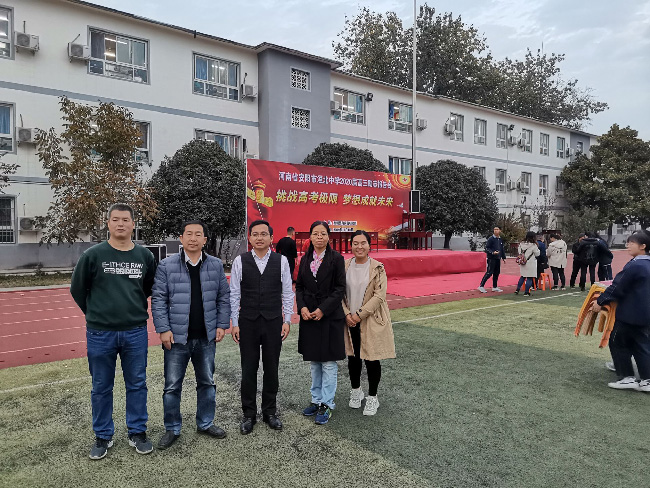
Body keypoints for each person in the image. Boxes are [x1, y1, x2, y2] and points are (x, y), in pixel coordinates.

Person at [70, 203, 156, 460]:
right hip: (100, 333)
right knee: (101, 386)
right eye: (116, 219)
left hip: (135, 331)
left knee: (137, 384)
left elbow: (148, 287)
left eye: (125, 220)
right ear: (107, 223)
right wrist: (96, 313)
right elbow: (77, 289)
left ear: (133, 224)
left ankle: (137, 432)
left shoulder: (145, 256)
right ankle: (103, 435)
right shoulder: (93, 255)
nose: (121, 224)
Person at [151, 220, 231, 450]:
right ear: (181, 238)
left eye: (198, 234)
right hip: (176, 339)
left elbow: (223, 297)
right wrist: (163, 329)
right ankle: (172, 428)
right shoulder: (166, 266)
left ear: (205, 240)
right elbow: (158, 300)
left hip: (206, 338)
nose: (193, 238)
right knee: (172, 386)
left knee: (207, 383)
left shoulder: (215, 265)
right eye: (189, 234)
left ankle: (205, 423)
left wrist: (221, 324)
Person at [230, 220, 294, 435]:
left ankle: (270, 412)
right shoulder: (240, 261)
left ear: (271, 238)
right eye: (255, 234)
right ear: (249, 238)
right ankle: (248, 414)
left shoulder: (281, 261)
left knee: (271, 368)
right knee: (248, 369)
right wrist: (235, 323)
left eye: (263, 234)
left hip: (273, 321)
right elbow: (234, 294)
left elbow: (287, 292)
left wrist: (287, 320)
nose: (259, 238)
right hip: (247, 322)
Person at [296, 221, 346, 425]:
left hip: (330, 316)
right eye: (315, 233)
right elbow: (299, 286)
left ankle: (327, 403)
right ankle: (316, 400)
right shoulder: (305, 258)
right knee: (315, 362)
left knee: (329, 363)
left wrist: (323, 309)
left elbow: (340, 288)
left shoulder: (337, 259)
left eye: (323, 234)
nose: (319, 237)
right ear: (310, 236)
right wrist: (302, 307)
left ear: (328, 237)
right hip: (309, 316)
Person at [342, 230, 395, 416]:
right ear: (351, 245)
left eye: (363, 243)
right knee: (353, 358)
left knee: (372, 359)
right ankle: (356, 391)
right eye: (355, 243)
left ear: (369, 245)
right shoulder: (344, 266)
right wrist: (347, 314)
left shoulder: (377, 268)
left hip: (370, 320)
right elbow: (338, 293)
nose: (359, 247)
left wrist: (359, 315)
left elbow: (379, 296)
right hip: (349, 321)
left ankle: (373, 397)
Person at [590, 230, 650, 391]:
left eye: (632, 243)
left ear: (643, 246)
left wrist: (600, 301)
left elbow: (617, 287)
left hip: (630, 313)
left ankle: (626, 377)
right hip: (645, 314)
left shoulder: (635, 265)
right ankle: (647, 380)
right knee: (642, 345)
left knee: (617, 342)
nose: (628, 245)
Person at [478, 226, 507, 293]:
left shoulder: (500, 239)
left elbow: (502, 249)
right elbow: (487, 248)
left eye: (497, 229)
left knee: (496, 273)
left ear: (500, 230)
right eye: (494, 229)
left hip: (498, 258)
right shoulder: (491, 239)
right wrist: (492, 252)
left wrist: (503, 257)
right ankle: (481, 286)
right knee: (489, 272)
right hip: (492, 258)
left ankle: (495, 287)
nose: (496, 230)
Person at [514, 231, 540, 297]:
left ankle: (517, 289)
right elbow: (537, 254)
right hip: (530, 262)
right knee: (529, 277)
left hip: (523, 262)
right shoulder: (533, 245)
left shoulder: (521, 244)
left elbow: (519, 252)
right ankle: (526, 292)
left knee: (523, 276)